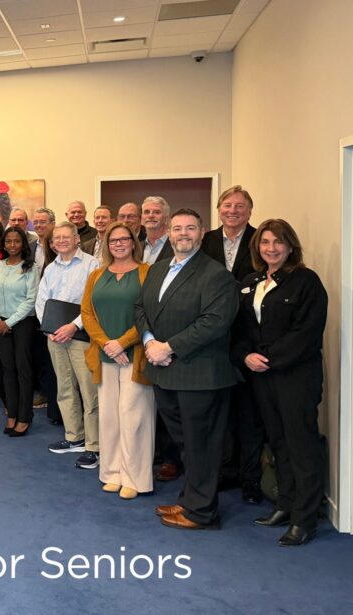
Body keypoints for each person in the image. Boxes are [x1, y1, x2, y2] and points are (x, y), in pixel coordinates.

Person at [136, 209, 238, 531]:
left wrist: (169, 347)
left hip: (199, 375)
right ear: (169, 231)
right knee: (186, 445)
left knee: (202, 446)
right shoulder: (158, 268)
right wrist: (151, 341)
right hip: (164, 371)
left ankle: (202, 513)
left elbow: (214, 322)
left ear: (202, 232)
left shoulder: (215, 274)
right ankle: (189, 500)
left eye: (190, 228)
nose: (183, 233)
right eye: (177, 228)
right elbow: (141, 309)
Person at [232, 220, 326, 546]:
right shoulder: (251, 282)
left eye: (278, 242)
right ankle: (285, 505)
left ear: (290, 246)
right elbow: (240, 330)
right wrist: (245, 356)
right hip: (261, 378)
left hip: (295, 377)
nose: (271, 248)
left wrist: (266, 358)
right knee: (278, 443)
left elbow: (306, 334)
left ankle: (305, 518)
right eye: (265, 242)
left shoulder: (306, 282)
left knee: (301, 446)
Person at [81, 222, 155, 499]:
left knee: (134, 416)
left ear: (133, 242)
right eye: (114, 241)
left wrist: (122, 342)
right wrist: (106, 344)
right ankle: (112, 472)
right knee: (110, 416)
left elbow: (151, 313)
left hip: (135, 355)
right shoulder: (97, 276)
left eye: (125, 239)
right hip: (105, 355)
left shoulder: (147, 273)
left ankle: (135, 478)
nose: (119, 244)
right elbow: (86, 313)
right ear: (107, 245)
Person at [202, 185, 262, 501]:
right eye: (227, 205)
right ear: (219, 209)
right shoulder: (207, 240)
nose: (233, 211)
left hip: (248, 336)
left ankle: (251, 479)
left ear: (249, 211)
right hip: (213, 338)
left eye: (240, 206)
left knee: (248, 414)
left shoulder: (259, 239)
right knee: (219, 413)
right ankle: (226, 472)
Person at [36, 222, 101, 469]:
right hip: (55, 337)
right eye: (57, 238)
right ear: (52, 243)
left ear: (77, 239)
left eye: (67, 237)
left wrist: (73, 326)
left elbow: (93, 301)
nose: (61, 241)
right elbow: (42, 300)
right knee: (64, 388)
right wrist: (49, 328)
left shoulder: (91, 265)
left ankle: (94, 446)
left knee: (89, 391)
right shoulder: (51, 268)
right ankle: (75, 437)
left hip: (81, 335)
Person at [0, 227, 39, 437]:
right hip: (1, 324)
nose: (12, 245)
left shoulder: (31, 267)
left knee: (23, 370)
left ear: (23, 244)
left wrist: (10, 322)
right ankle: (12, 413)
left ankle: (25, 416)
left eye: (16, 241)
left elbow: (31, 299)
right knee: (7, 370)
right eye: (8, 241)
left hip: (23, 324)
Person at [141, 196, 173, 264]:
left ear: (166, 219)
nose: (150, 216)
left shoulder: (176, 245)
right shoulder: (136, 247)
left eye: (157, 212)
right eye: (146, 212)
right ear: (142, 219)